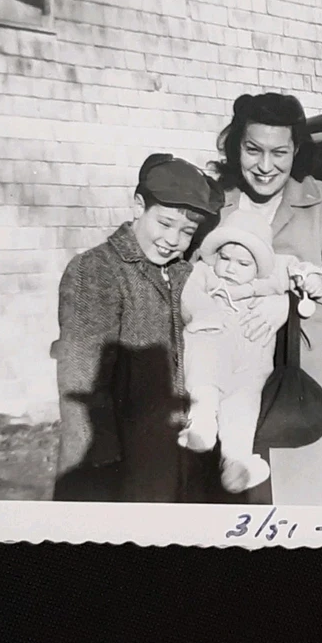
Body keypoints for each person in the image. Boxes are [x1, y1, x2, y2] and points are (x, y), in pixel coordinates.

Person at [209, 92, 322, 507]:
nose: (265, 166)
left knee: (304, 508)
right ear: (236, 147)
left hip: (305, 389)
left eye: (279, 152)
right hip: (231, 385)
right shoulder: (216, 203)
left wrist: (290, 307)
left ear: (296, 151)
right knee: (238, 508)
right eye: (253, 150)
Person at [50, 153, 225, 502]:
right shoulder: (98, 269)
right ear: (138, 206)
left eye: (187, 232)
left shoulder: (184, 273)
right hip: (122, 457)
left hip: (177, 450)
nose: (173, 239)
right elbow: (82, 377)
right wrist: (97, 465)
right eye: (164, 223)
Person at [176, 209, 322, 495]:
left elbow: (304, 271)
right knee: (203, 375)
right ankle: (202, 425)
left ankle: (236, 462)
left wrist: (314, 280)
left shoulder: (274, 272)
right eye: (224, 258)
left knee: (244, 407)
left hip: (251, 361)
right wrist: (206, 315)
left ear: (259, 264)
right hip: (213, 342)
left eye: (242, 263)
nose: (230, 268)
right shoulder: (206, 272)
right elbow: (189, 294)